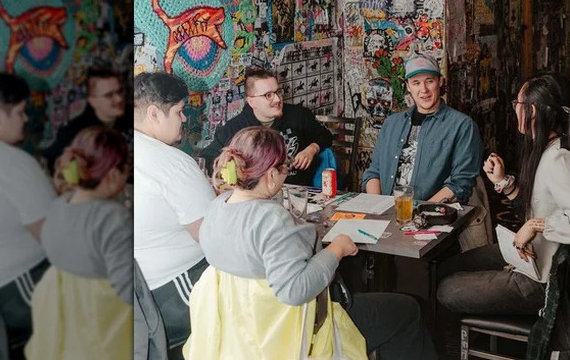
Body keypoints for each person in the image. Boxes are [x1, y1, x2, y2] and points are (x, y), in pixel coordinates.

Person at [184, 127, 438, 360]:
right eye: (285, 169)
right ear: (271, 175)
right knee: (407, 310)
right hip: (293, 331)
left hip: (239, 331)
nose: (286, 174)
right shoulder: (270, 219)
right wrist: (336, 249)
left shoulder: (218, 207)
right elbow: (295, 290)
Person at [437, 72, 570, 316]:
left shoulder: (559, 160)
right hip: (532, 253)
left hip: (545, 279)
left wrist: (536, 225)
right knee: (448, 267)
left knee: (447, 289)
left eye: (518, 103)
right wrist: (505, 183)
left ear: (533, 111)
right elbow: (541, 206)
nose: (514, 109)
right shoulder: (546, 149)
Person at [25, 126, 132, 360]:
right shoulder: (111, 217)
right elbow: (127, 291)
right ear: (113, 174)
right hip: (101, 324)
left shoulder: (59, 204)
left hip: (61, 320)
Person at [133, 72, 215, 351]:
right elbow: (213, 238)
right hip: (170, 294)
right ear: (154, 113)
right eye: (180, 111)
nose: (184, 119)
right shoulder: (172, 164)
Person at [0, 73, 56, 352]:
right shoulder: (12, 162)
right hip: (16, 290)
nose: (26, 119)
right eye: (20, 111)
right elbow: (54, 237)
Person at [362, 55, 482, 202]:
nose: (423, 89)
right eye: (416, 83)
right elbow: (374, 172)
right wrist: (377, 207)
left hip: (433, 214)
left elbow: (461, 183)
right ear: (408, 86)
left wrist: (421, 212)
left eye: (429, 81)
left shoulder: (462, 125)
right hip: (388, 213)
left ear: (440, 81)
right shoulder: (391, 124)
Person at [201, 69, 332, 186]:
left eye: (277, 92)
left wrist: (311, 149)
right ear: (252, 101)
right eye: (268, 95)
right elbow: (208, 158)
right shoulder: (235, 128)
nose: (277, 99)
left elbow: (325, 136)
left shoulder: (298, 115)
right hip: (255, 196)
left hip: (299, 190)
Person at [42, 67, 130, 174]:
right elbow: (52, 161)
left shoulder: (138, 117)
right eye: (109, 95)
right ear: (92, 101)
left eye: (120, 91)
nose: (119, 99)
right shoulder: (75, 131)